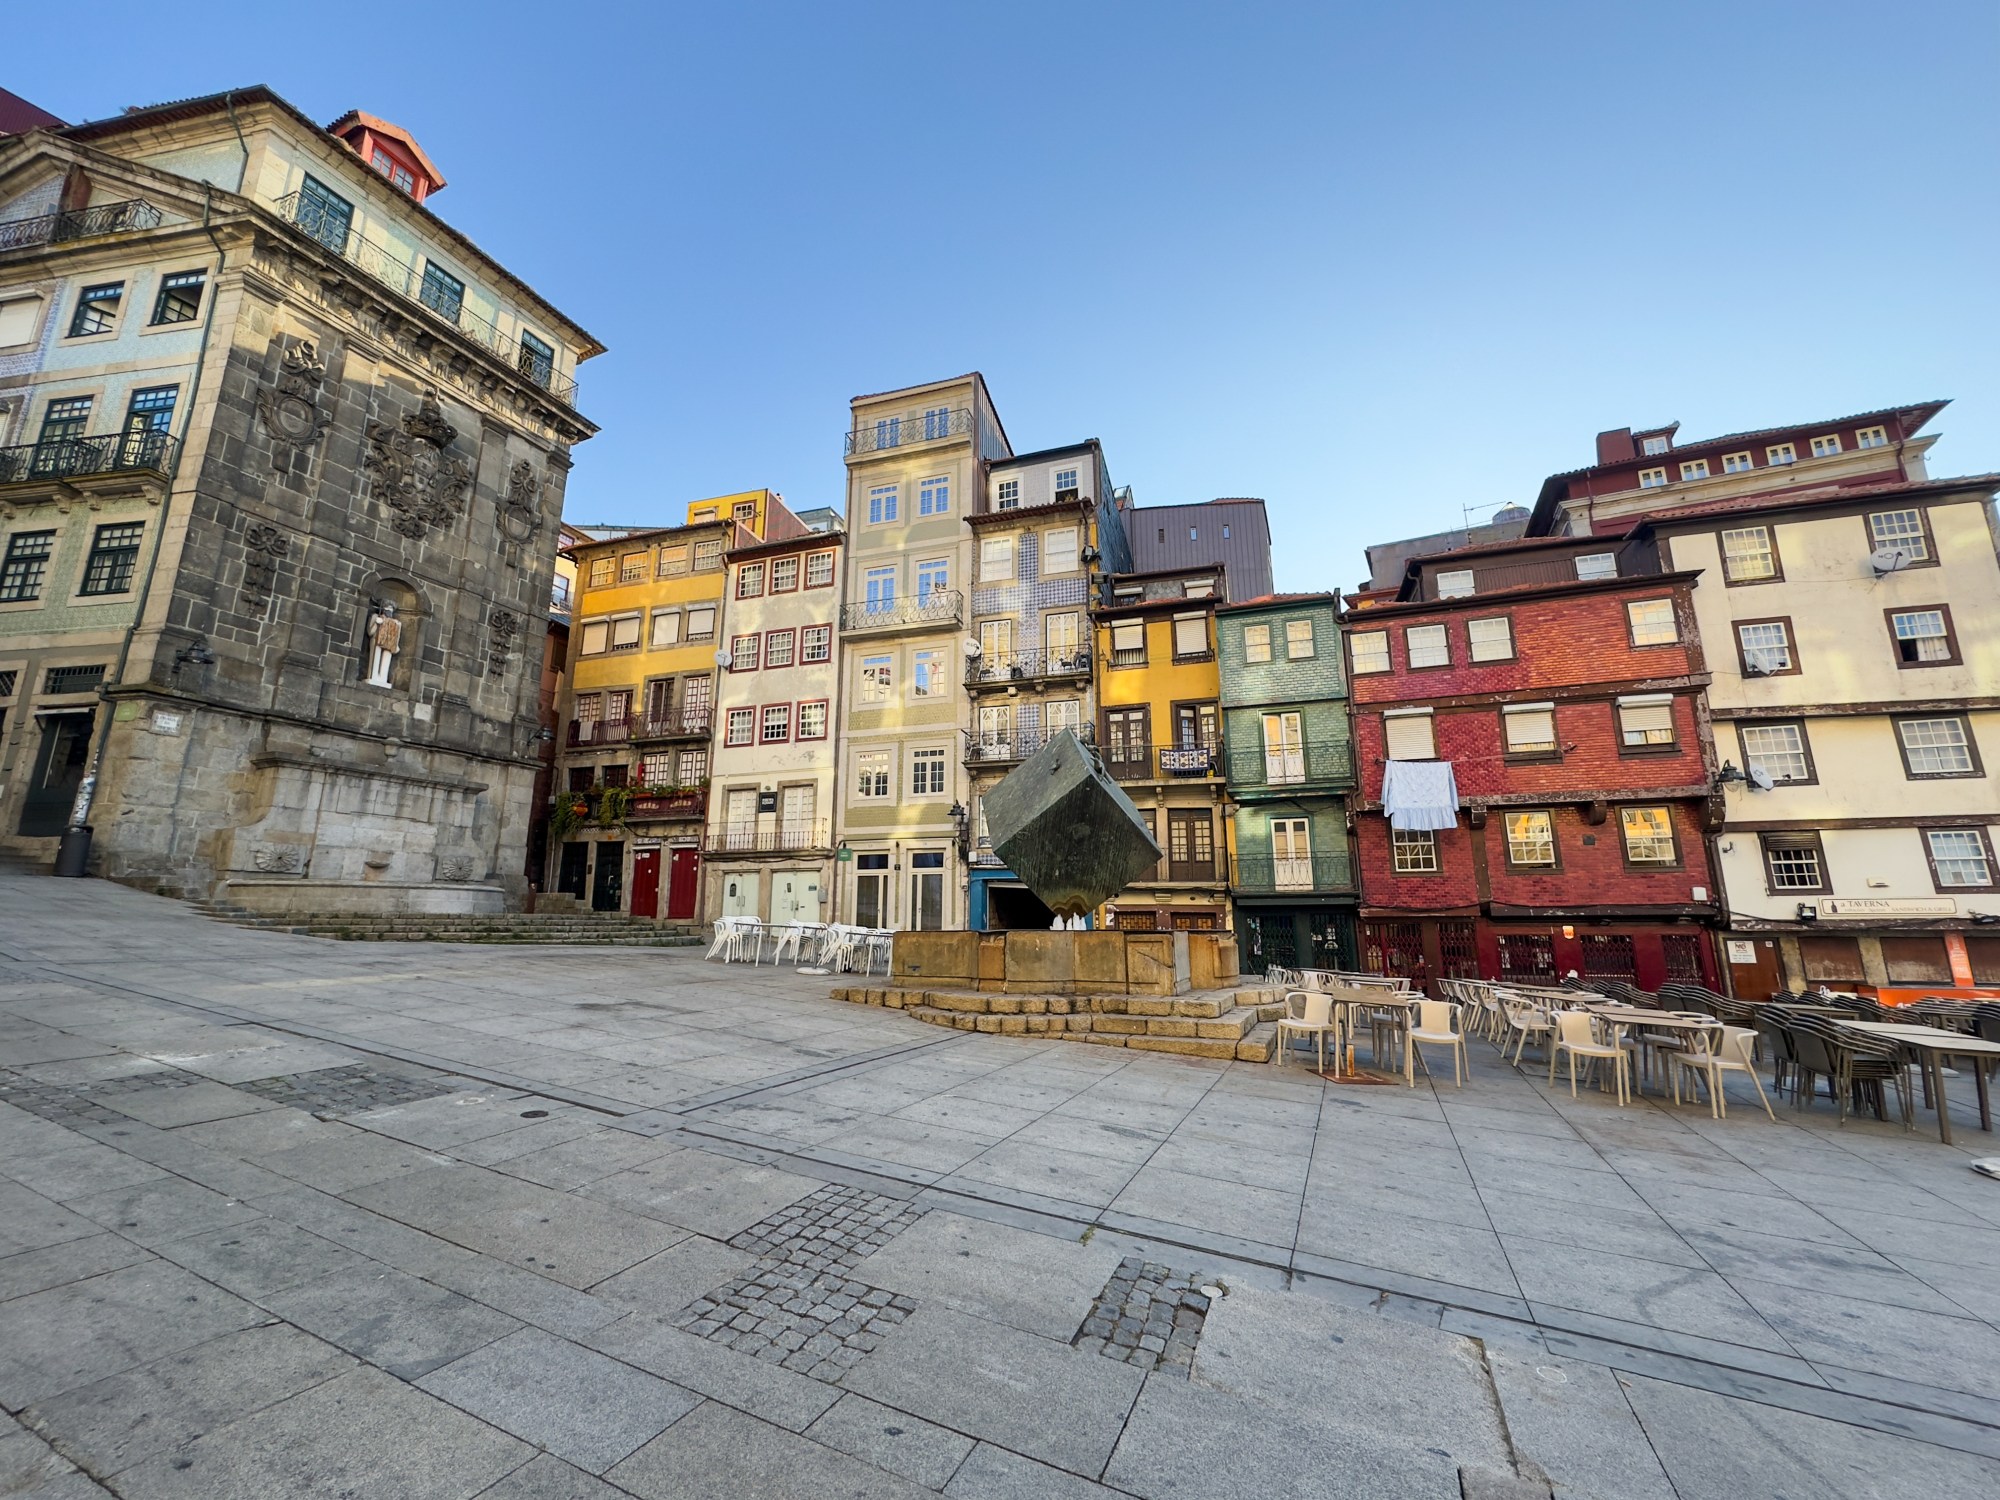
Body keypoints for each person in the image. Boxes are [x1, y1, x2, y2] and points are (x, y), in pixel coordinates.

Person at [365, 603, 401, 687]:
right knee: (375, 659)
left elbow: (396, 634)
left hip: (389, 643)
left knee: (386, 661)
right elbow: (370, 632)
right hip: (376, 640)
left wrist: (396, 644)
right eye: (387, 609)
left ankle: (383, 680)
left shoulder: (395, 622)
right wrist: (377, 623)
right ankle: (372, 677)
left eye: (391, 610)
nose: (389, 611)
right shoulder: (375, 616)